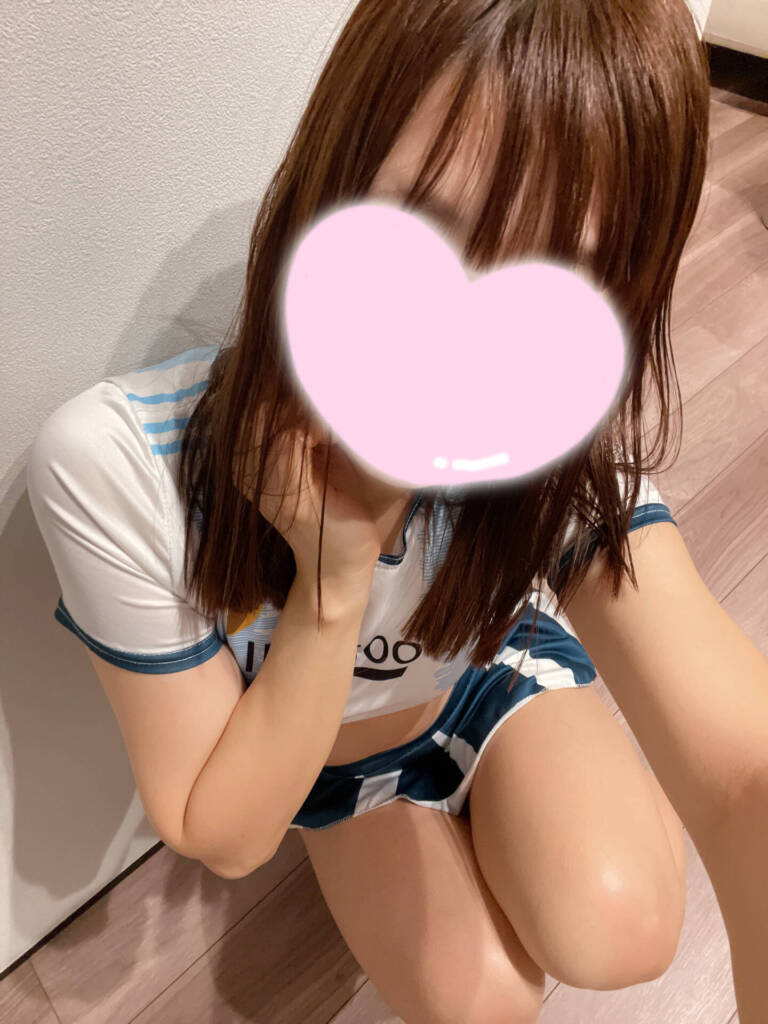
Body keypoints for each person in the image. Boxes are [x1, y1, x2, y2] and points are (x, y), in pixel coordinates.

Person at [27, 0, 715, 1020]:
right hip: (324, 761)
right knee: (487, 1006)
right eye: (422, 227)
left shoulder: (545, 430)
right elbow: (227, 836)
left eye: (553, 278)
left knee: (627, 931)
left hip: (488, 672)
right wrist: (333, 583)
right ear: (328, 181)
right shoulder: (122, 460)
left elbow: (740, 756)